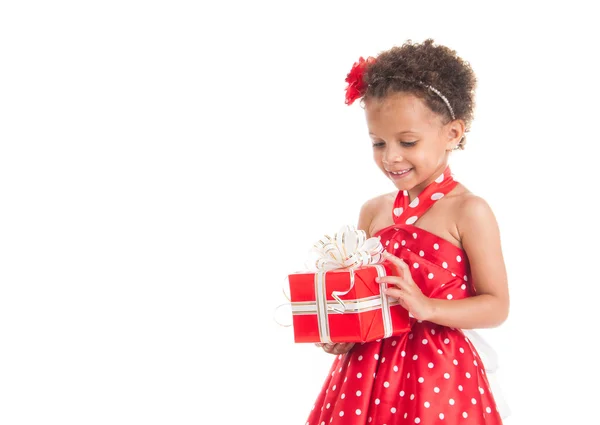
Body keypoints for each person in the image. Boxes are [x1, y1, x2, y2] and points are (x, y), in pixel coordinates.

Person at [307, 39, 510, 425]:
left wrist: (427, 307)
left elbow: (497, 305)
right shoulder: (373, 211)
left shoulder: (469, 211)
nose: (391, 157)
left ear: (452, 134)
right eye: (378, 143)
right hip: (364, 376)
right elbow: (361, 296)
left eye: (408, 142)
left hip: (439, 373)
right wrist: (342, 331)